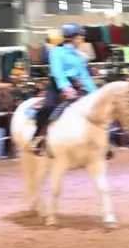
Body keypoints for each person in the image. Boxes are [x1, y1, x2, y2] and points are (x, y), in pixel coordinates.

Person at [29, 23, 97, 155]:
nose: (82, 39)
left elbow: (84, 76)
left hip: (76, 85)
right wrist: (66, 87)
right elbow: (57, 72)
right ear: (71, 38)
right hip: (57, 85)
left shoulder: (79, 56)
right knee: (48, 107)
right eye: (80, 37)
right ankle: (37, 138)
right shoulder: (56, 52)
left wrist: (95, 93)